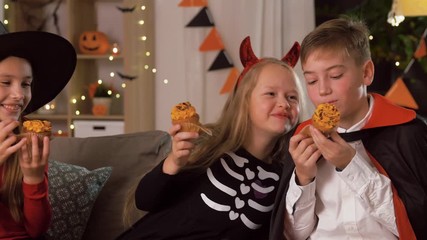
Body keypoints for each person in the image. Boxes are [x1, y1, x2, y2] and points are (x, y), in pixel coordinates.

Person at [117, 36, 302, 240]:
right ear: (244, 101)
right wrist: (174, 161)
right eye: (270, 94)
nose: (284, 104)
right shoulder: (209, 144)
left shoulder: (288, 174)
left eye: (292, 97)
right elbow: (144, 200)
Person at [271, 17, 427, 240]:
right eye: (312, 81)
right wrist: (303, 178)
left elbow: (414, 226)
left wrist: (351, 164)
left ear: (366, 73)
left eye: (335, 76)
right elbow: (293, 235)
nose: (323, 90)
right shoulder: (301, 140)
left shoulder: (407, 132)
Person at [0, 22, 76, 239]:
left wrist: (33, 178)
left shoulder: (27, 139)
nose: (19, 94)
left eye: (26, 84)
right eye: (5, 82)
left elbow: (36, 230)